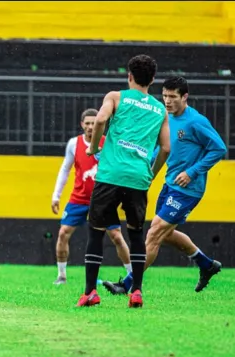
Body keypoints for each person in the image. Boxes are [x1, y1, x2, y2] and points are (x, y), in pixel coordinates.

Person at [102, 76, 225, 297]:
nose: (167, 101)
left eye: (172, 97)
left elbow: (218, 149)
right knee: (166, 234)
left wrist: (192, 172)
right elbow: (161, 148)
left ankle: (127, 284)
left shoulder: (196, 121)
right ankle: (206, 264)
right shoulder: (165, 117)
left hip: (188, 188)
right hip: (170, 184)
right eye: (165, 96)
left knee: (155, 232)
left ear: (185, 97)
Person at [76, 54, 170, 308]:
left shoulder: (116, 97)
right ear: (152, 79)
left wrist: (93, 147)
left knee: (96, 232)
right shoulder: (160, 109)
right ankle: (136, 291)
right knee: (137, 234)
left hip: (110, 175)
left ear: (129, 76)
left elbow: (101, 119)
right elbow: (166, 148)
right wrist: (151, 173)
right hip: (138, 178)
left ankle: (90, 292)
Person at [51, 108, 132, 285]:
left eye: (93, 123)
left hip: (104, 199)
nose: (90, 126)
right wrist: (56, 196)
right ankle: (61, 276)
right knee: (63, 233)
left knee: (117, 236)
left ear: (100, 123)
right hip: (79, 199)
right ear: (82, 125)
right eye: (87, 123)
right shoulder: (74, 143)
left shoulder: (109, 143)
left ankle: (131, 276)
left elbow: (119, 170)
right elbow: (65, 169)